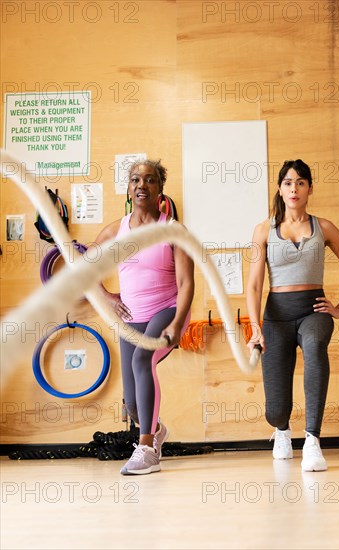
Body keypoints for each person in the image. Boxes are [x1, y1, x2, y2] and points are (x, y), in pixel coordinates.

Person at [246, 159, 339, 471]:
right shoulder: (263, 230)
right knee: (275, 409)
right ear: (280, 188)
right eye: (288, 182)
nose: (294, 188)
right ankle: (282, 431)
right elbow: (255, 285)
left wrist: (338, 309)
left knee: (315, 347)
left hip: (313, 311)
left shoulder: (324, 227)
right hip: (276, 317)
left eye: (300, 182)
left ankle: (313, 439)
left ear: (310, 188)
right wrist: (256, 328)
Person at [93, 159, 194, 475]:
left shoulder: (174, 230)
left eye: (149, 180)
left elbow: (187, 282)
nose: (141, 185)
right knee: (133, 405)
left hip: (168, 310)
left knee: (141, 361)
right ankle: (156, 429)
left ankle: (147, 447)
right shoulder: (116, 230)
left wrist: (177, 323)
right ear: (128, 187)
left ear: (160, 189)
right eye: (135, 179)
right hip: (131, 318)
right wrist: (108, 298)